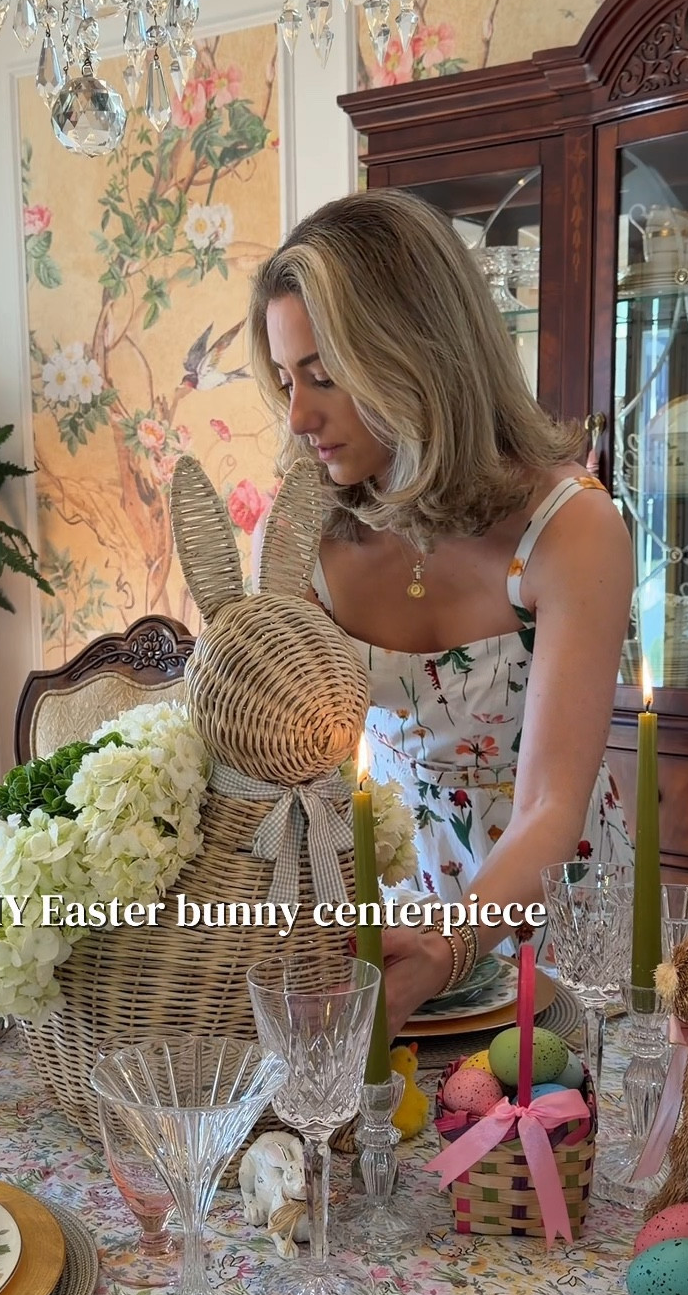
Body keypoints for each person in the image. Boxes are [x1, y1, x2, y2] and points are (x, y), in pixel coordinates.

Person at [248, 189, 633, 1031]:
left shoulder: (572, 530)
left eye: (324, 374)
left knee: (544, 1148)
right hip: (386, 914)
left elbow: (548, 812)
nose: (299, 415)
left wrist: (448, 951)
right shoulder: (302, 536)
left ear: (416, 353)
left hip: (554, 908)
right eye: (285, 379)